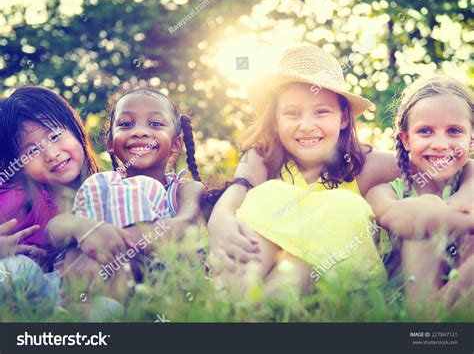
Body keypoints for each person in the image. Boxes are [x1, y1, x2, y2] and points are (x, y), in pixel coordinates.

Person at [208, 46, 474, 299]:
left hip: (319, 278)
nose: (307, 125)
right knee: (268, 196)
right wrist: (219, 218)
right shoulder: (263, 158)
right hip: (257, 264)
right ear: (275, 121)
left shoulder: (367, 164)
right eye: (292, 113)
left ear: (344, 118)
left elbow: (433, 159)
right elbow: (238, 189)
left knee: (334, 219)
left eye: (321, 112)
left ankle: (263, 311)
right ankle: (233, 304)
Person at [49, 87, 205, 303]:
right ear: (111, 143)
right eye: (126, 124)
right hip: (91, 277)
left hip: (156, 282)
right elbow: (55, 228)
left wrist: (116, 243)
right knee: (78, 241)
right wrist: (84, 230)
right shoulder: (100, 186)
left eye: (155, 124)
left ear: (176, 144)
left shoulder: (182, 189)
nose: (139, 131)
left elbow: (184, 223)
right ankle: (86, 309)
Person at [367, 74, 474, 317]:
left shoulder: (470, 178)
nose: (440, 144)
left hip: (462, 287)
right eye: (425, 131)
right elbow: (403, 218)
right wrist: (458, 217)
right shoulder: (384, 192)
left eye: (454, 131)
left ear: (471, 139)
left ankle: (452, 316)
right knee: (422, 215)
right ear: (406, 140)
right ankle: (428, 319)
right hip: (407, 298)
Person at [0, 86, 99, 309]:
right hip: (24, 285)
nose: (51, 154)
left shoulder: (105, 189)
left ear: (75, 130)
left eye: (54, 136)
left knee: (105, 309)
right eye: (32, 151)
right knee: (23, 269)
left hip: (65, 296)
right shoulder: (16, 196)